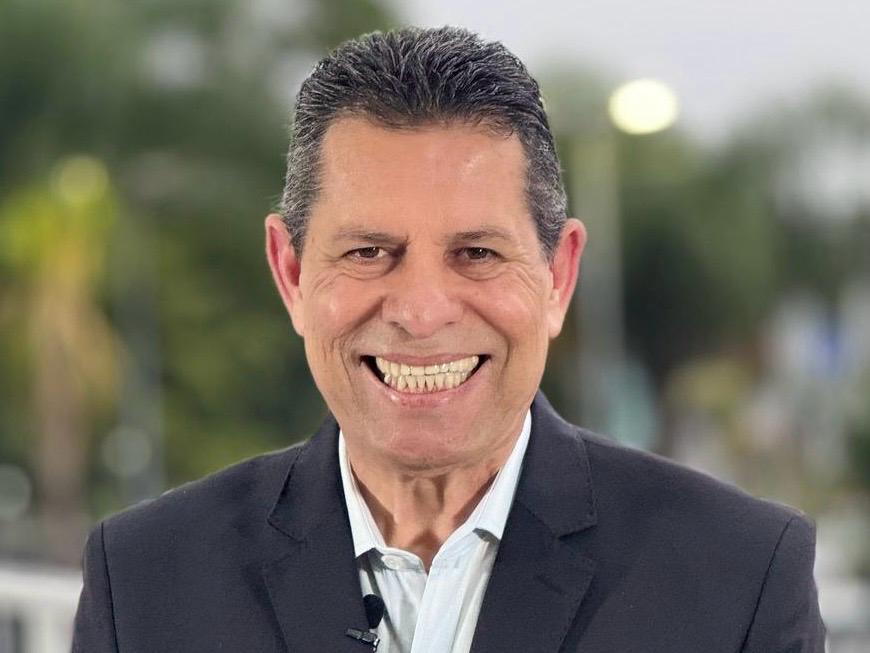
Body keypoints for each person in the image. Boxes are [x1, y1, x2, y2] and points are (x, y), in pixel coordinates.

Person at [73, 26, 825, 652]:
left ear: (559, 275)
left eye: (477, 253)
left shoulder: (740, 580)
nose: (422, 311)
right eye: (369, 252)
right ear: (291, 273)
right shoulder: (144, 583)